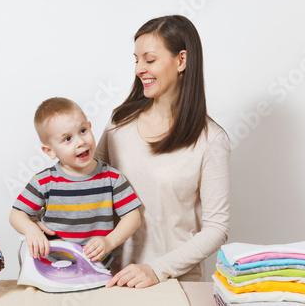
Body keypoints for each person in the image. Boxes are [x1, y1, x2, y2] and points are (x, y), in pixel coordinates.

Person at [94, 15, 231, 288]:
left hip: (176, 283)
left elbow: (217, 228)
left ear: (181, 61)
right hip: (112, 280)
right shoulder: (119, 124)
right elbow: (91, 186)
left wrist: (157, 269)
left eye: (149, 59)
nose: (139, 69)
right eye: (136, 60)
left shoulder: (210, 140)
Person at [9, 97, 142, 265]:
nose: (81, 141)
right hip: (51, 266)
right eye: (67, 139)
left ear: (90, 127)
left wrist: (109, 242)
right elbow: (16, 214)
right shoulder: (44, 181)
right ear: (50, 151)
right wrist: (31, 230)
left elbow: (133, 217)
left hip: (97, 268)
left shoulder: (113, 178)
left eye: (83, 131)